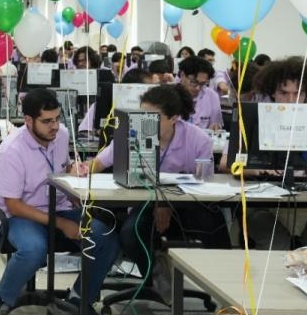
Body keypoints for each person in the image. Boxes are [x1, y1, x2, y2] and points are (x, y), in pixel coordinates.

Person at [0, 89, 120, 315]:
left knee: (105, 238)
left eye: (57, 118)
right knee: (33, 249)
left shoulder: (60, 135)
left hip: (59, 206)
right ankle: (1, 295)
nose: (54, 126)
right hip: (21, 215)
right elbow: (14, 205)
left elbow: (62, 167)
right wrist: (62, 223)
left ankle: (79, 298)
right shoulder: (11, 151)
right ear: (28, 120)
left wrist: (73, 172)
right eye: (47, 121)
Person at [86, 85, 223, 286]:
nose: (145, 121)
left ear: (174, 118)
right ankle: (155, 278)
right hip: (145, 203)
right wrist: (82, 169)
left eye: (153, 116)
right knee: (130, 234)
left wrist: (166, 203)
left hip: (187, 204)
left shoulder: (198, 139)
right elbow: (100, 162)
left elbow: (204, 182)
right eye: (142, 114)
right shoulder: (133, 131)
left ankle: (223, 285)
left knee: (215, 225)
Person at [236, 58, 307, 250]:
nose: (291, 100)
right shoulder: (255, 117)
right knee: (275, 245)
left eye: (298, 93)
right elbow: (227, 162)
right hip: (265, 203)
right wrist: (256, 170)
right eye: (284, 93)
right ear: (272, 92)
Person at [177, 56, 222, 130]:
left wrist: (216, 127)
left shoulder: (211, 96)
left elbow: (216, 124)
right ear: (182, 75)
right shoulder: (168, 96)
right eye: (194, 82)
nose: (198, 88)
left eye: (202, 84)